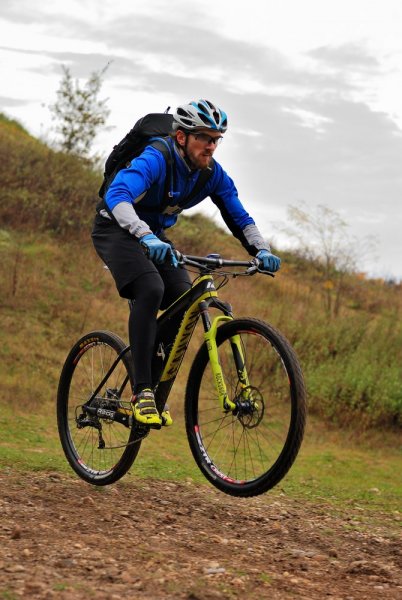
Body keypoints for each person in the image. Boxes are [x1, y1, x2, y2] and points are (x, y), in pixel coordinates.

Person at [92, 99, 281, 427]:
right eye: (204, 138)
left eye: (216, 139)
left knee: (182, 299)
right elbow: (118, 196)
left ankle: (150, 372)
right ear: (182, 137)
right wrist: (146, 236)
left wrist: (261, 249)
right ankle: (142, 391)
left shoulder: (211, 174)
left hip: (154, 236)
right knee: (150, 287)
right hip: (117, 228)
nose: (211, 145)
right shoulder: (157, 157)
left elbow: (238, 215)